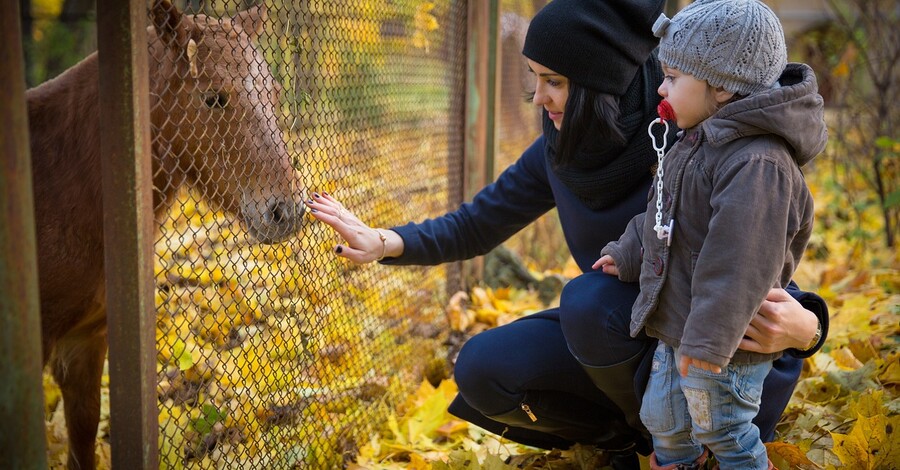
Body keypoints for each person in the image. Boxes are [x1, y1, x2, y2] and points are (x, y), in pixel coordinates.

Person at [305, 0, 828, 468]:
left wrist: (809, 329)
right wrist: (386, 242)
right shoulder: (562, 148)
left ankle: (698, 442)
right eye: (534, 79)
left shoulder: (696, 125)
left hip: (723, 347)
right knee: (485, 367)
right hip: (640, 339)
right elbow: (477, 223)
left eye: (554, 81)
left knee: (588, 300)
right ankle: (640, 443)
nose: (538, 98)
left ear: (598, 79)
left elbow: (748, 259)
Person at [594, 1, 827, 468]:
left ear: (721, 87)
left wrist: (706, 345)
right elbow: (665, 213)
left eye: (674, 78)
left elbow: (738, 266)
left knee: (723, 427)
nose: (661, 88)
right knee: (663, 417)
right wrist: (630, 251)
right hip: (680, 328)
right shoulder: (698, 138)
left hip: (727, 343)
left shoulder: (756, 164)